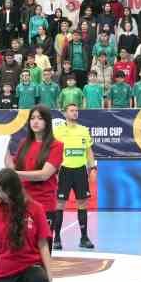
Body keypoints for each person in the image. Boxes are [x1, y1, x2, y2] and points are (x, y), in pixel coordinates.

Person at [7, 106, 63, 248]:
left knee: (42, 249)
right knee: (22, 248)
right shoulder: (23, 144)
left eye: (40, 118)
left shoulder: (56, 146)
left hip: (44, 205)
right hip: (23, 205)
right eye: (32, 118)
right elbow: (12, 168)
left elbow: (44, 174)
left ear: (47, 122)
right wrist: (4, 149)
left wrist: (16, 175)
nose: (35, 122)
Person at [53, 102, 95, 250]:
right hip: (64, 170)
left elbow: (89, 151)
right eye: (71, 110)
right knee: (59, 204)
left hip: (80, 170)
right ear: (65, 113)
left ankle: (84, 238)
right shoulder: (57, 131)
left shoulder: (83, 130)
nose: (75, 113)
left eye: (76, 110)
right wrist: (54, 171)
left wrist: (93, 167)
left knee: (82, 203)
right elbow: (53, 152)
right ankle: (56, 238)